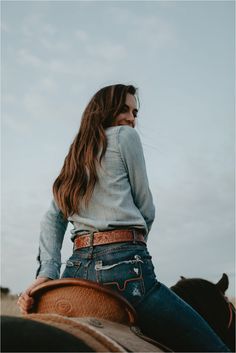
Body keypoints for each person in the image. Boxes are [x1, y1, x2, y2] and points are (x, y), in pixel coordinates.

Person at [17, 84, 231, 352]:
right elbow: (146, 206)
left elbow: (52, 218)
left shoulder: (75, 157)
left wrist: (46, 274)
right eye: (124, 109)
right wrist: (134, 245)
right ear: (105, 110)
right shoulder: (124, 137)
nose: (131, 118)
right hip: (127, 270)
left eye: (135, 112)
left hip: (74, 273)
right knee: (216, 348)